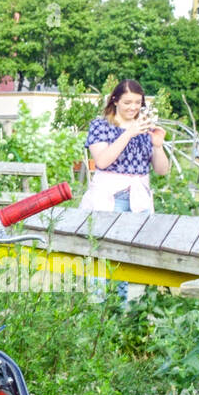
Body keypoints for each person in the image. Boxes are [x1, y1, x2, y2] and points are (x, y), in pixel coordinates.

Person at [81, 79, 169, 298]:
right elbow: (102, 161)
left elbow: (162, 170)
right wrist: (129, 133)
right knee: (99, 254)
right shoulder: (101, 125)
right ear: (115, 100)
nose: (133, 107)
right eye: (128, 102)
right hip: (110, 196)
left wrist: (157, 146)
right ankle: (96, 309)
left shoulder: (146, 128)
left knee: (129, 257)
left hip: (139, 197)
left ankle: (122, 310)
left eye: (138, 103)